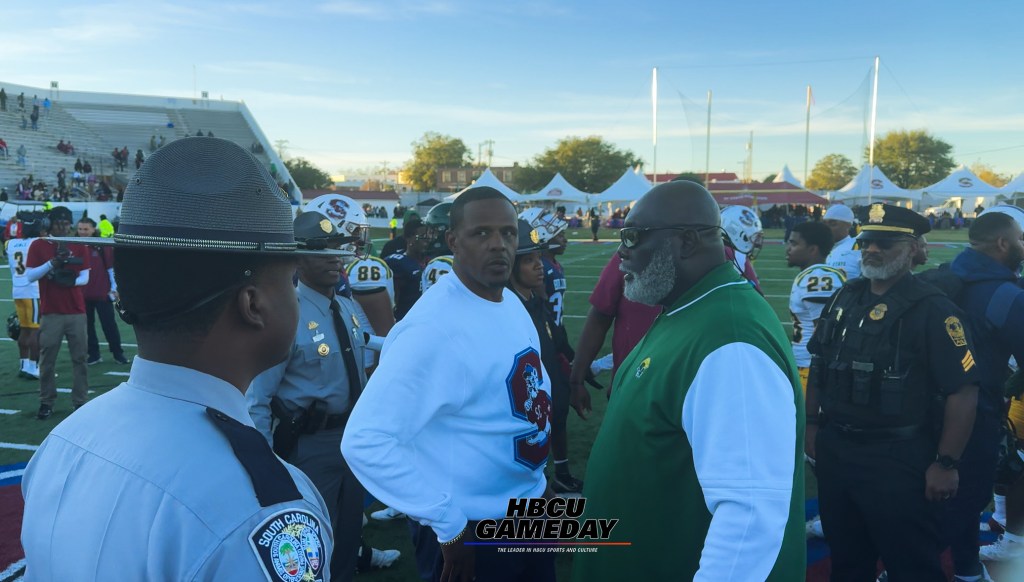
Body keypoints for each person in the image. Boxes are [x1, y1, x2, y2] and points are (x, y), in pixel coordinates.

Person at [20, 137, 335, 580]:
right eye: (291, 279)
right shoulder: (256, 506)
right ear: (253, 304)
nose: (297, 296)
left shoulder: (68, 438)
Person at [570, 181, 805, 581]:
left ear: (687, 242)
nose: (621, 252)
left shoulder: (731, 341)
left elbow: (749, 516)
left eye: (633, 237)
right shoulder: (687, 307)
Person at [342, 186, 556, 582]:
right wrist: (447, 521)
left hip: (528, 507)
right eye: (482, 233)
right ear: (453, 240)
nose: (499, 245)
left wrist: (538, 480)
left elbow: (526, 399)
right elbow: (365, 440)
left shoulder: (508, 301)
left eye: (508, 233)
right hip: (472, 524)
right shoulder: (432, 328)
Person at [806, 203, 980, 581]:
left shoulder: (935, 310)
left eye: (885, 244)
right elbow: (820, 364)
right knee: (847, 558)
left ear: (913, 250)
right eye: (867, 242)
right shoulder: (844, 298)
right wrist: (811, 427)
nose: (872, 250)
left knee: (912, 563)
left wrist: (947, 463)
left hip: (899, 458)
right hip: (838, 450)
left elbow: (962, 391)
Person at [247, 207, 398, 580]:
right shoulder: (286, 313)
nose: (335, 257)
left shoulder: (346, 307)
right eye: (322, 249)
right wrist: (263, 464)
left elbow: (364, 353)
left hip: (352, 440)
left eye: (338, 247)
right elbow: (258, 398)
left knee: (348, 531)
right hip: (310, 444)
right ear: (298, 257)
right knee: (309, 537)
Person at [942, 209, 1024, 575]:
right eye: (1021, 238)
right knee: (969, 497)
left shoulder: (942, 275)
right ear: (1003, 243)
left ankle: (964, 566)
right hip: (977, 410)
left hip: (920, 407)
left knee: (935, 494)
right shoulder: (1006, 294)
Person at [519, 207, 584, 493]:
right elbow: (541, 309)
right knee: (544, 413)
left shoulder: (552, 264)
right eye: (559, 233)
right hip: (542, 347)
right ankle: (544, 474)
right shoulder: (538, 268)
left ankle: (556, 471)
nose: (565, 238)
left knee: (556, 413)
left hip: (551, 341)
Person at [23, 207, 92, 419]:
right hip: (51, 311)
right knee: (47, 360)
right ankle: (46, 401)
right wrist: (52, 264)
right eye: (58, 222)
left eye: (65, 222)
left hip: (76, 311)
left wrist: (67, 280)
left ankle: (80, 401)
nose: (62, 226)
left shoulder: (79, 245)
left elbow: (85, 277)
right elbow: (30, 276)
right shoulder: (39, 245)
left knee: (80, 358)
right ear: (49, 224)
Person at [786, 220, 843, 390]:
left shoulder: (817, 277)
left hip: (810, 369)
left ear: (812, 249)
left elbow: (824, 332)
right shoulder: (817, 275)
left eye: (794, 244)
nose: (788, 248)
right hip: (806, 366)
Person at [76, 218, 128, 366]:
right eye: (80, 229)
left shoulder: (101, 246)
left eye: (86, 229)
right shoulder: (73, 245)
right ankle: (94, 354)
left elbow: (111, 269)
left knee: (109, 325)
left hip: (102, 294)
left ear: (93, 229)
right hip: (83, 295)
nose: (82, 232)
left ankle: (118, 353)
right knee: (88, 327)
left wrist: (113, 289)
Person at [7, 213, 45, 380]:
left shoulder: (10, 243)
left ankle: (24, 365)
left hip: (17, 289)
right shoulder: (37, 243)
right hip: (32, 290)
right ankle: (34, 367)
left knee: (24, 329)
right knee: (35, 331)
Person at [384, 218, 428, 321]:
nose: (427, 240)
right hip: (406, 321)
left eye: (428, 236)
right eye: (422, 236)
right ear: (409, 238)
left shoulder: (433, 261)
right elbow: (392, 303)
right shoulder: (397, 263)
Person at [420, 202, 454, 295]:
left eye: (432, 231)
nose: (428, 236)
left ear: (444, 232)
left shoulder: (441, 265)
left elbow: (432, 305)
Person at [824, 204, 861, 280]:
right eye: (824, 224)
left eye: (833, 224)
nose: (826, 228)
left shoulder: (856, 247)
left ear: (848, 225)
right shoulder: (820, 248)